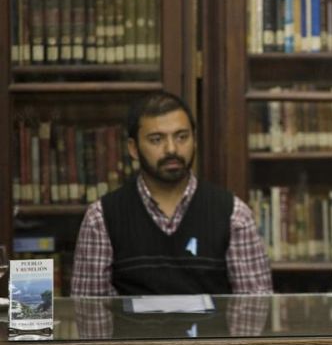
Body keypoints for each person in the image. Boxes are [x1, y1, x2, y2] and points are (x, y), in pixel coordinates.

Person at [71, 91, 272, 296]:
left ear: (194, 140)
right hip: (134, 329)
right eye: (157, 139)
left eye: (182, 137)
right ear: (133, 148)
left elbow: (254, 312)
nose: (172, 149)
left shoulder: (234, 215)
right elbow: (91, 316)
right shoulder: (101, 218)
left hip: (212, 329)